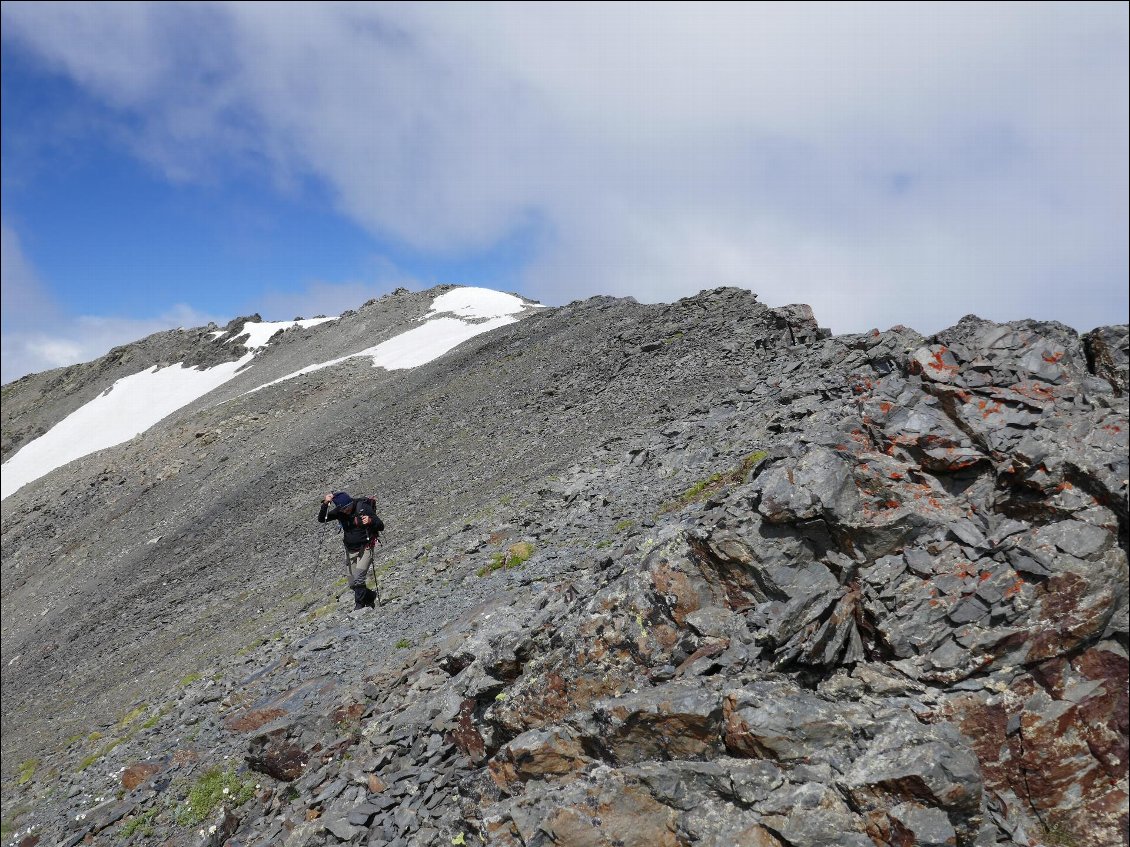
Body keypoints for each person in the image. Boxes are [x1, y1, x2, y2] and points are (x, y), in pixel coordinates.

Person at [318, 492, 381, 610]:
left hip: (366, 547)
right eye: (343, 509)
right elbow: (322, 519)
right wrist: (326, 503)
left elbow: (380, 525)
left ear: (351, 503)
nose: (346, 511)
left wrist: (371, 520)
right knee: (352, 584)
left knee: (359, 579)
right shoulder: (340, 512)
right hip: (350, 549)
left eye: (347, 507)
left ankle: (359, 607)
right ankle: (370, 596)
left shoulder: (363, 507)